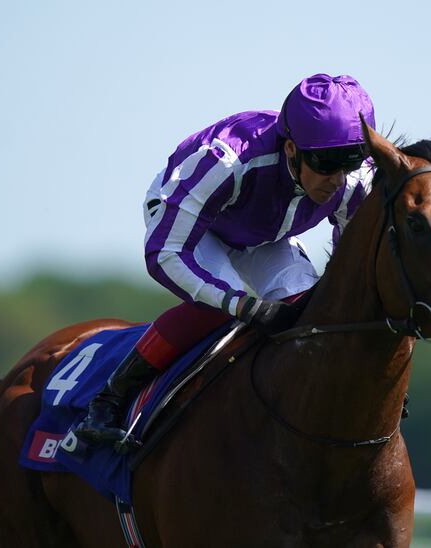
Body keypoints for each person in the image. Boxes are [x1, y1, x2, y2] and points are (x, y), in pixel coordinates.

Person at [74, 73, 376, 445]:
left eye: (350, 160)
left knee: (308, 310)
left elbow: (349, 273)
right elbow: (165, 253)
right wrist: (240, 304)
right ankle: (108, 400)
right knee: (225, 308)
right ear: (291, 149)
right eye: (326, 163)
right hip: (188, 227)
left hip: (265, 232)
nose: (338, 178)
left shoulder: (354, 180)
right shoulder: (227, 159)